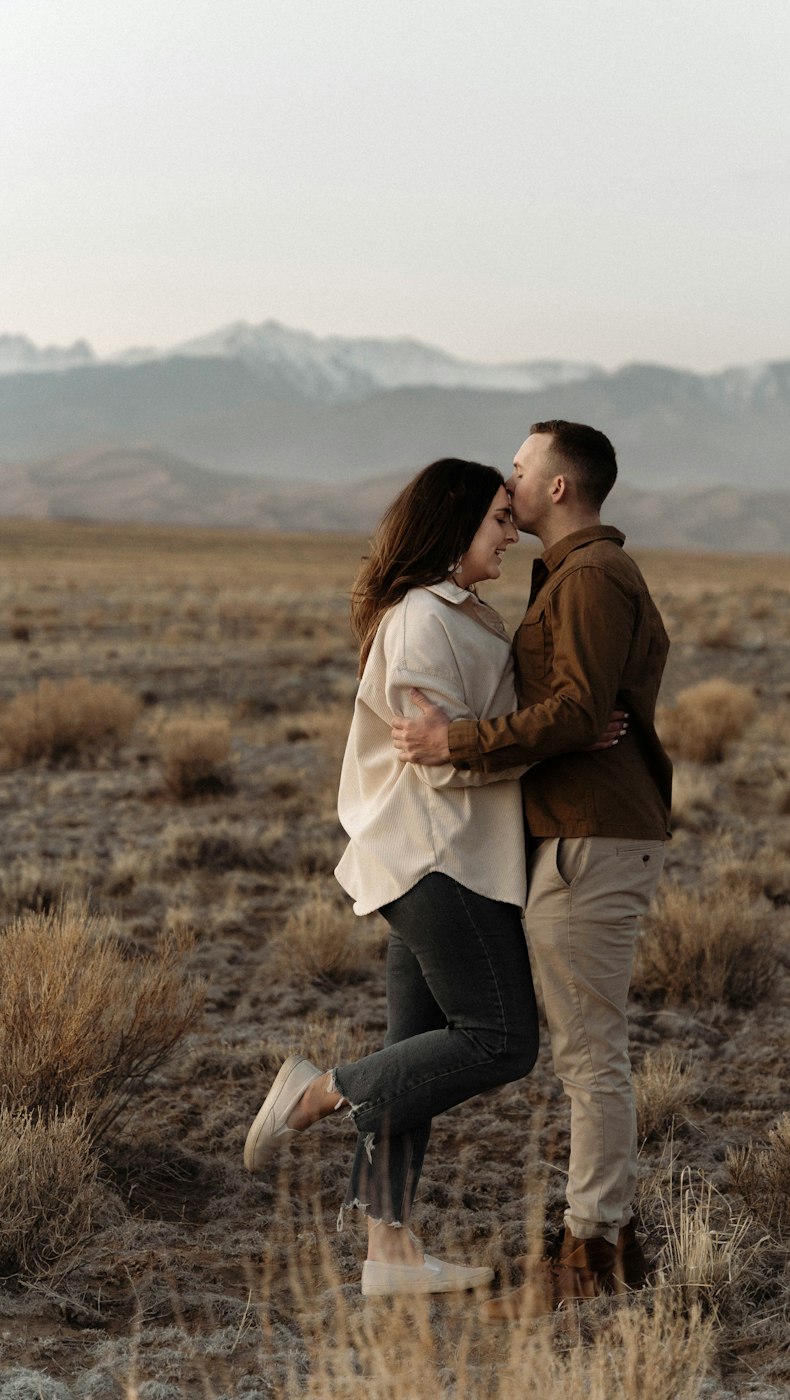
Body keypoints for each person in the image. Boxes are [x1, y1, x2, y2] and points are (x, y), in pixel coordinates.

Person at [391, 420, 672, 1316]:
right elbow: (574, 711)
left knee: (590, 1054)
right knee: (586, 1050)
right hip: (578, 828)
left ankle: (591, 1258)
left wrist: (452, 742)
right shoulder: (575, 573)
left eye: (521, 464)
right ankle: (601, 1243)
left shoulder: (590, 576)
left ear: (558, 486)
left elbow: (576, 710)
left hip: (591, 833)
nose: (509, 479)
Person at [243, 458, 540, 1298]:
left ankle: (390, 1252)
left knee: (415, 1053)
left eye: (512, 520)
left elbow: (472, 738)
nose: (511, 536)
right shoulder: (420, 622)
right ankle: (321, 1091)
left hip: (446, 853)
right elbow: (443, 764)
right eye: (498, 520)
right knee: (501, 1040)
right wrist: (541, 743)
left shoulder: (459, 614)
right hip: (437, 856)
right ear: (453, 526)